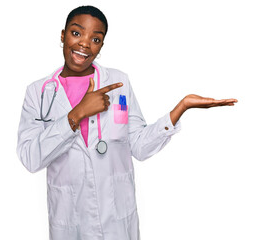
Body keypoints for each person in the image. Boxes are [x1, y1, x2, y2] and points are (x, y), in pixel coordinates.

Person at [17, 5, 237, 240]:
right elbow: (31, 158)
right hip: (70, 221)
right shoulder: (38, 92)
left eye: (96, 38)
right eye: (76, 33)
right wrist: (78, 113)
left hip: (116, 220)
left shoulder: (119, 83)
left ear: (101, 45)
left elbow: (139, 147)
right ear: (63, 35)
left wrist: (180, 108)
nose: (84, 44)